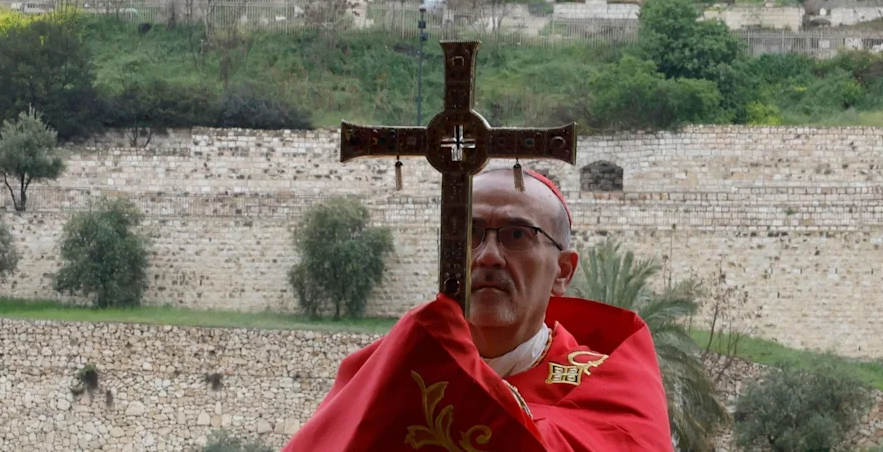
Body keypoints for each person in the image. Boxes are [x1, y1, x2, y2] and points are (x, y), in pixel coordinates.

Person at [283, 167, 671, 451]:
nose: (487, 256)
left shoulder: (614, 389)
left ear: (563, 271)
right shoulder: (390, 372)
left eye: (516, 234)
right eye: (468, 234)